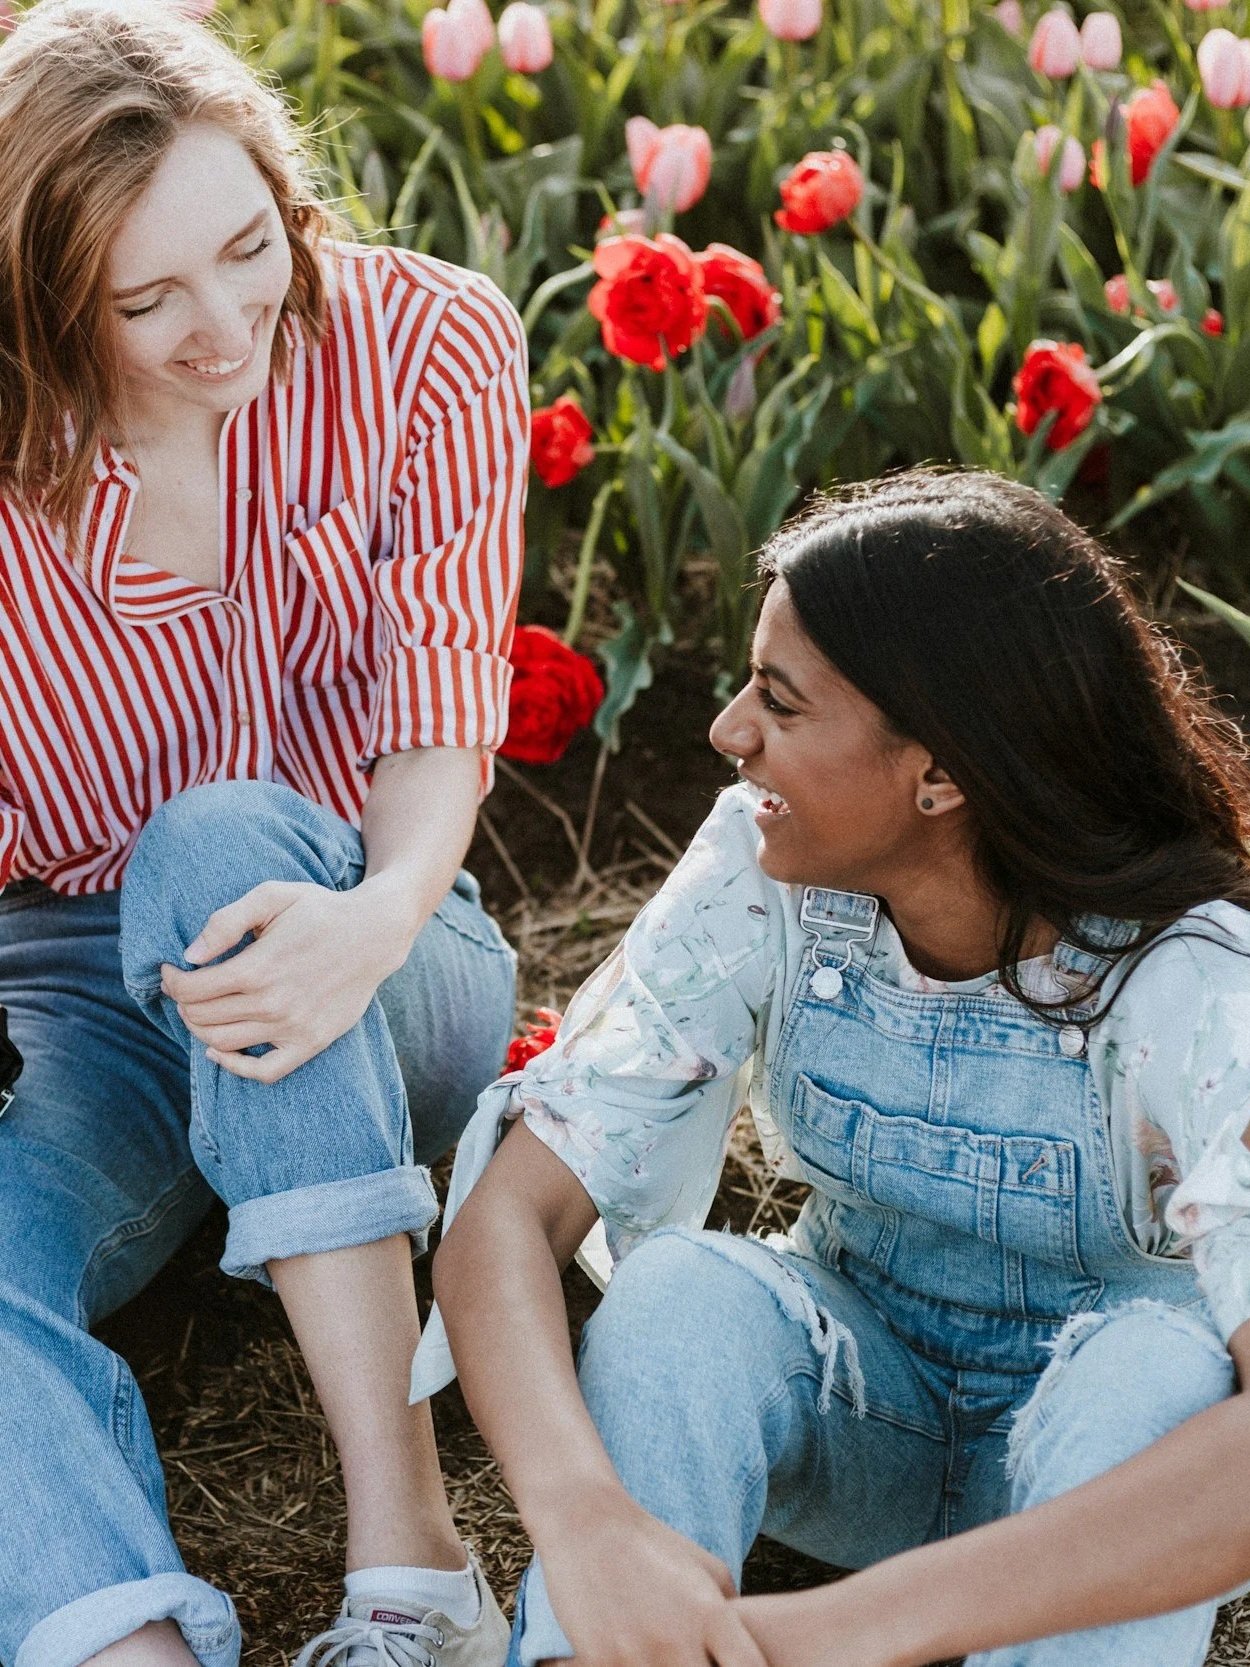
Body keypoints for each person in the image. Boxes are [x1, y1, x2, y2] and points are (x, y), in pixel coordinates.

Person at [424, 468, 1250, 1667]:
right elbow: (505, 1220)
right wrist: (585, 1518)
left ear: (942, 770)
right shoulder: (761, 867)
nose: (726, 732)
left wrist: (833, 1632)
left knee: (1151, 1368)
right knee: (681, 1296)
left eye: (781, 702)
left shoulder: (1198, 983)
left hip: (1100, 1504)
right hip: (865, 1412)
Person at [0, 1, 528, 1664]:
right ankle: (120, 1642)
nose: (225, 325)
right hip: (91, 984)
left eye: (248, 249)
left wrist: (370, 915)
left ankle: (412, 1563)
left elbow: (441, 722)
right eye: (146, 301)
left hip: (384, 931)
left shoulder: (429, 342)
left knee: (223, 842)